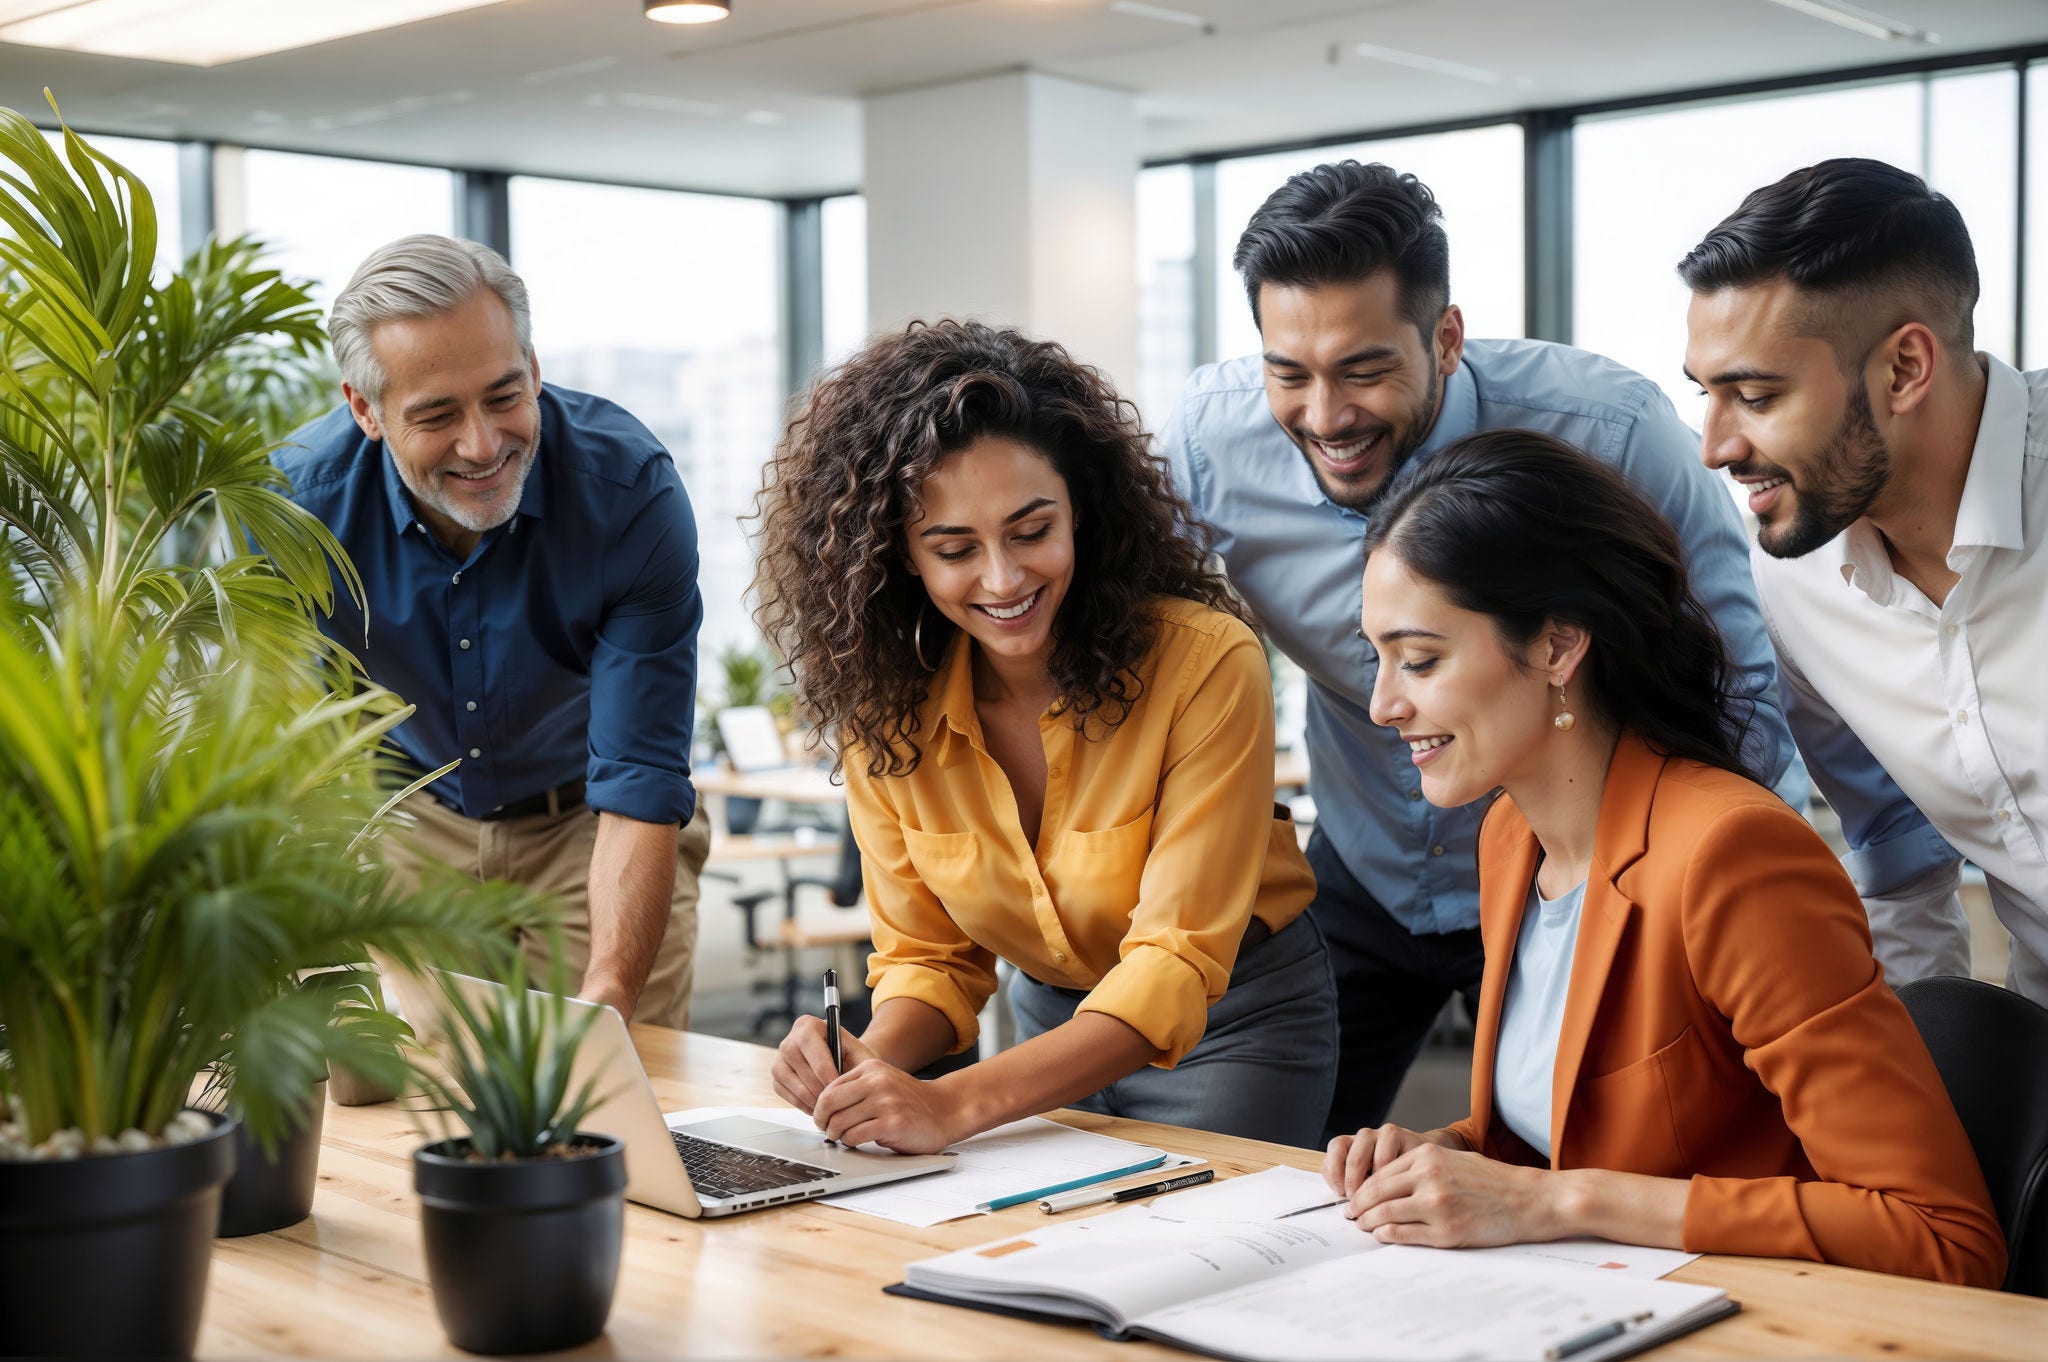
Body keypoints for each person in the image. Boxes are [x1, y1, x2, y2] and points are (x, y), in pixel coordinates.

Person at [1158, 160, 1799, 1141]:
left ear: (1445, 338)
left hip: (1578, 877)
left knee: (1612, 1165)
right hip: (1363, 871)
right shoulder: (1209, 445)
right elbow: (1150, 656)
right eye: (1287, 373)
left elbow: (1737, 682)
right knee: (1296, 1180)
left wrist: (1699, 893)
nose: (1323, 415)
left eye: (1363, 369)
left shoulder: (1611, 434)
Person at [1324, 429, 2003, 1287]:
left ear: (1558, 647)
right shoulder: (1510, 837)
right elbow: (1562, 1126)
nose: (1384, 704)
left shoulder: (1732, 855)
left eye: (1419, 659)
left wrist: (1558, 1203)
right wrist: (1439, 1154)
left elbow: (1942, 1234)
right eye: (1376, 656)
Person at [755, 319, 1338, 1152]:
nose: (1003, 579)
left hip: (1232, 1017)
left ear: (1083, 513)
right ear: (900, 559)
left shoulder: (1205, 662)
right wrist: (862, 1065)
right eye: (954, 548)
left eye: (1031, 532)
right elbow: (931, 960)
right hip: (1052, 1019)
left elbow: (1174, 961)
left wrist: (953, 1105)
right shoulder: (885, 710)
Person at [276, 234, 711, 1027]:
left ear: (536, 370)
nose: (483, 445)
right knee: (396, 1098)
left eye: (505, 397)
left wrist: (610, 997)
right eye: (437, 415)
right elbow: (305, 758)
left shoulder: (627, 493)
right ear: (365, 410)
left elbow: (640, 770)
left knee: (623, 1092)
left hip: (591, 820)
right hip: (409, 819)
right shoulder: (299, 510)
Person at [1681, 157, 2047, 1002]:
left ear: (1904, 369)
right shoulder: (1798, 578)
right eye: (1706, 393)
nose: (1716, 446)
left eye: (1757, 395)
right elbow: (1897, 853)